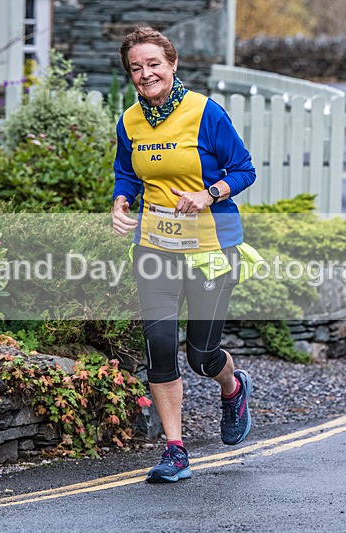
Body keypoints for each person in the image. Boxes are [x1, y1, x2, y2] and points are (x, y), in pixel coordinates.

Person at [112, 26, 259, 483]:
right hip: (155, 246)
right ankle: (175, 450)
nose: (145, 73)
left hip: (211, 246)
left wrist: (209, 193)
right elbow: (126, 174)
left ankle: (232, 388)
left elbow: (244, 169)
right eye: (136, 68)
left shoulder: (205, 113)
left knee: (201, 355)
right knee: (158, 348)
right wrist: (121, 202)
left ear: (172, 65)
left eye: (153, 64)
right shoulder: (129, 121)